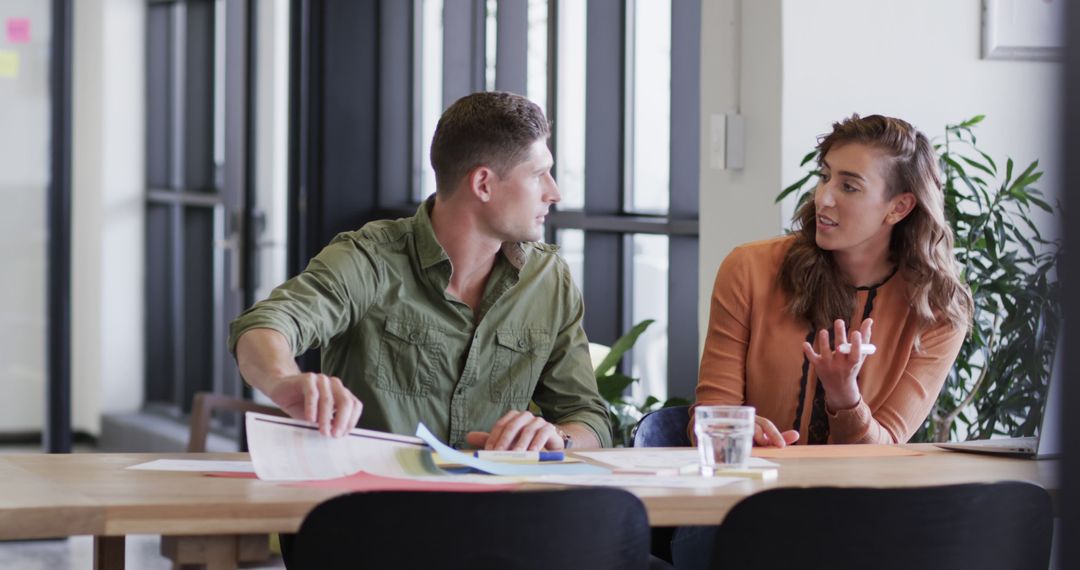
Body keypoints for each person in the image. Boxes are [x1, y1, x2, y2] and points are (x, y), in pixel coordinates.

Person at [227, 91, 611, 451]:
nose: (554, 192)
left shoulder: (548, 279)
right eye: (538, 174)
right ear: (483, 184)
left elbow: (589, 418)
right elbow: (266, 325)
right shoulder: (369, 259)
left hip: (496, 512)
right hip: (378, 509)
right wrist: (282, 380)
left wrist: (557, 437)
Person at [671, 115, 973, 569]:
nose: (824, 196)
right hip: (741, 510)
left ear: (899, 207)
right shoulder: (749, 269)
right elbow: (709, 415)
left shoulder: (938, 308)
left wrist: (844, 397)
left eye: (849, 186)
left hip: (860, 522)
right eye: (825, 175)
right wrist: (735, 432)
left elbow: (882, 453)